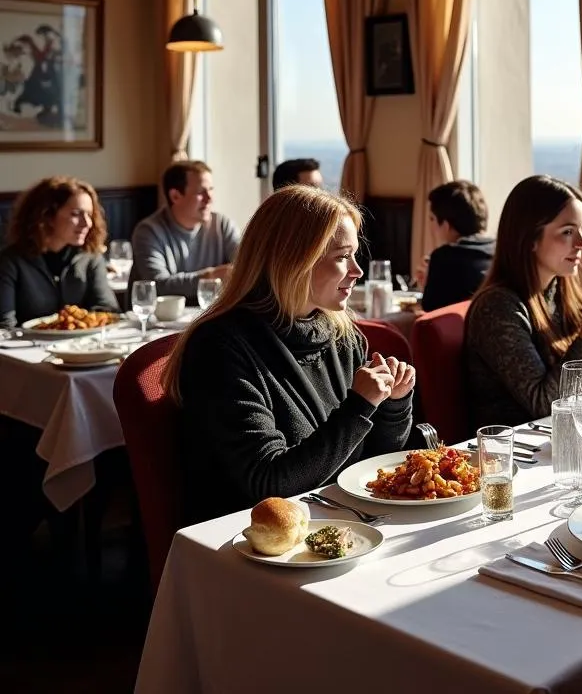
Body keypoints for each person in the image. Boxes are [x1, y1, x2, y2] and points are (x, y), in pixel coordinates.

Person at [164, 186, 415, 523]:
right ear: (295, 259)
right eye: (342, 256)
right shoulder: (219, 348)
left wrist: (393, 406)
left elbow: (372, 464)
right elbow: (267, 483)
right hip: (251, 542)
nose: (357, 271)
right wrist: (359, 406)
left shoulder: (342, 334)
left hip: (338, 523)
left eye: (355, 255)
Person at [464, 175, 582, 428]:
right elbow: (547, 407)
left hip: (569, 441)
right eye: (568, 232)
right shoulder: (496, 308)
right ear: (529, 239)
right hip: (518, 455)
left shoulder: (563, 294)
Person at [0, 176, 120, 328]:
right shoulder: (10, 261)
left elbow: (107, 311)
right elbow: (4, 326)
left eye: (89, 215)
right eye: (76, 214)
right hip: (26, 348)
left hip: (82, 347)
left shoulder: (91, 257)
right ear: (47, 215)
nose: (87, 223)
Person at [129, 161, 240, 304]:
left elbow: (248, 266)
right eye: (201, 192)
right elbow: (158, 286)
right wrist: (211, 277)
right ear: (175, 196)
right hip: (159, 323)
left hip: (211, 318)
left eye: (211, 189)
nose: (209, 198)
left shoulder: (222, 225)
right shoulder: (148, 232)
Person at [417, 180, 494, 312]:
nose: (430, 225)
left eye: (432, 219)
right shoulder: (501, 250)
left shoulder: (443, 258)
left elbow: (431, 309)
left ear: (446, 225)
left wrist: (427, 284)